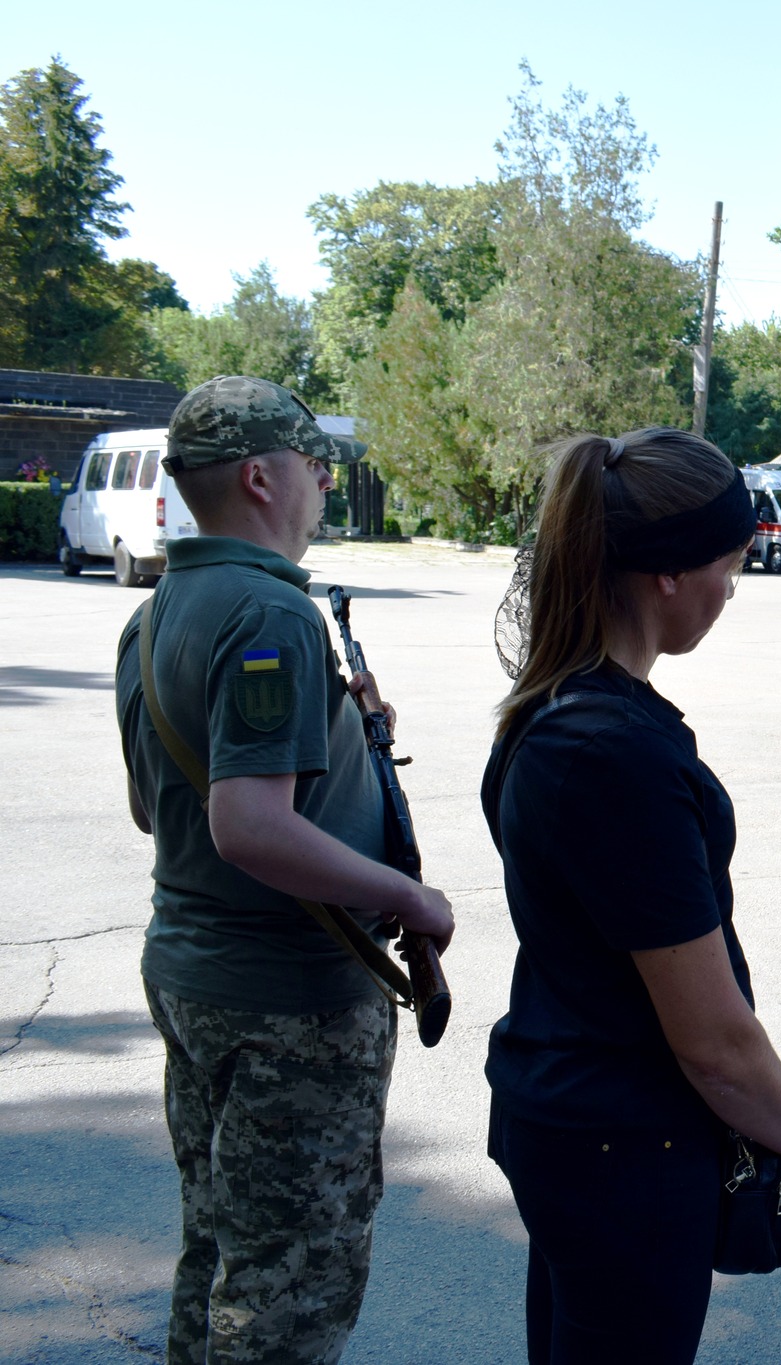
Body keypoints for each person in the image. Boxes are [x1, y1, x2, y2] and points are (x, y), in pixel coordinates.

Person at [481, 428, 781, 1364]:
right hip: (624, 1141)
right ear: (667, 575)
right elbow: (710, 1038)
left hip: (585, 1120)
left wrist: (779, 1104)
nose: (733, 588)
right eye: (731, 564)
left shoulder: (568, 708)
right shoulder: (612, 753)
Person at [113, 375, 457, 1365]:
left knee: (223, 1245)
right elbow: (248, 827)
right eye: (315, 468)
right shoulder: (270, 615)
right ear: (263, 477)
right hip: (286, 1001)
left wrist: (347, 729)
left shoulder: (155, 609)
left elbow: (157, 807)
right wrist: (408, 897)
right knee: (293, 1280)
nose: (321, 487)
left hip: (194, 973)